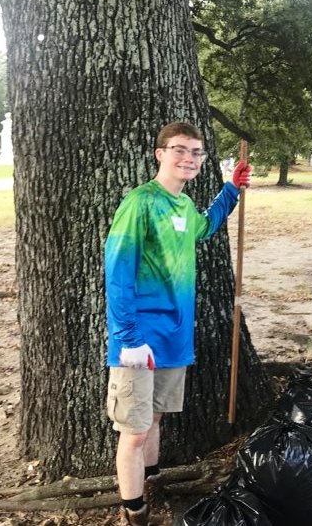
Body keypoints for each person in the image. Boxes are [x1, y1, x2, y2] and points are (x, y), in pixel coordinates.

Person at [104, 121, 251, 526]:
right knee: (133, 430)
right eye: (180, 150)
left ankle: (151, 489)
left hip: (173, 338)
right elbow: (117, 273)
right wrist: (129, 338)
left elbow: (206, 227)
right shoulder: (140, 203)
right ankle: (134, 513)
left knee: (154, 419)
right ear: (160, 154)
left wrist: (231, 191)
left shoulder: (184, 206)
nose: (188, 158)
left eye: (196, 153)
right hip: (139, 340)